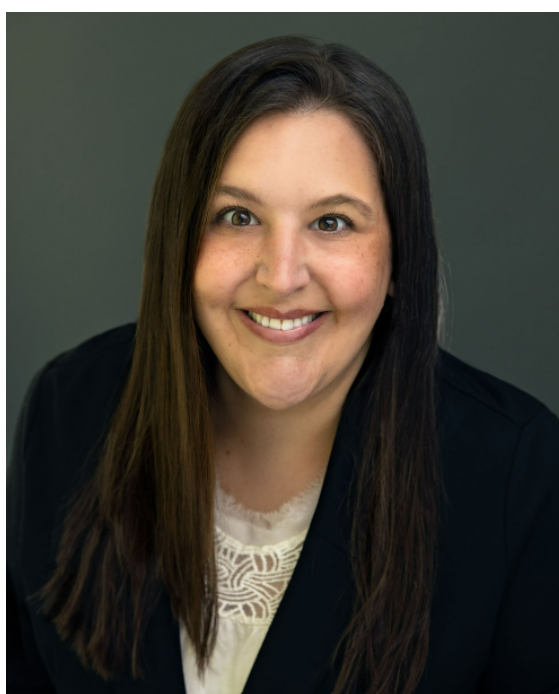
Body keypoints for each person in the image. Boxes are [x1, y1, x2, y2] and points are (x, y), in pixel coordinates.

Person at [7, 35, 559, 694]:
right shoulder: (71, 408)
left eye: (331, 223)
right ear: (177, 238)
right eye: (237, 216)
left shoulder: (516, 475)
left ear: (397, 261)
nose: (280, 275)